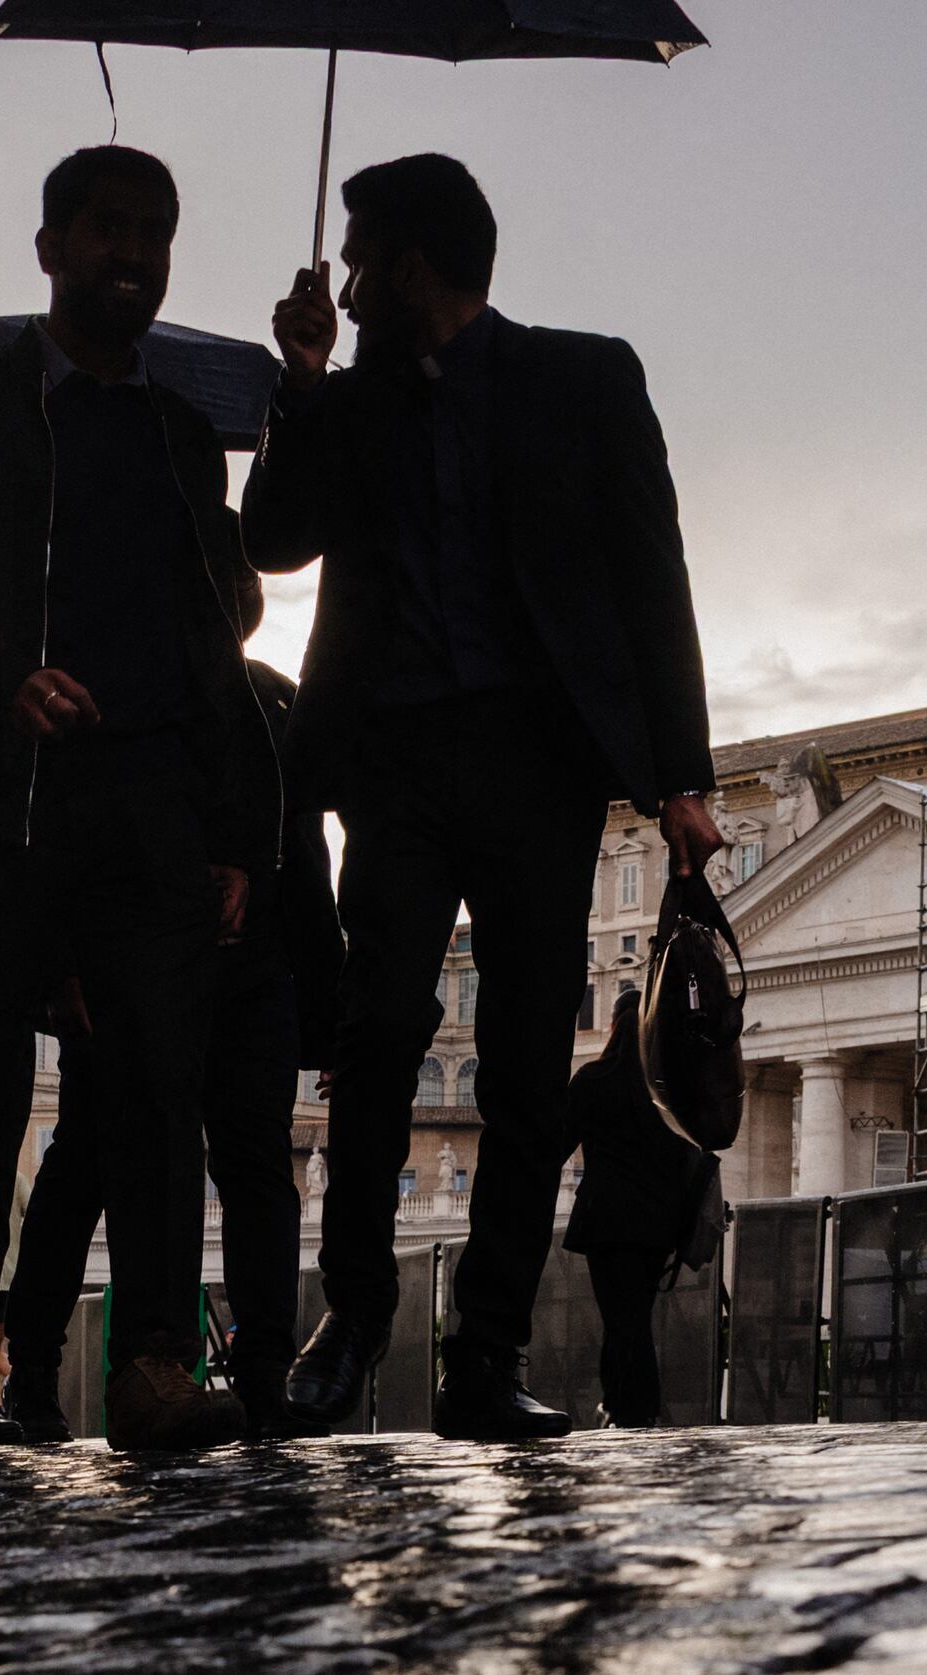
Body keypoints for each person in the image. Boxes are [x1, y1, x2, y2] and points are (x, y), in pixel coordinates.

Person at [246, 155, 720, 1444]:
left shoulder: (583, 378)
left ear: (408, 267)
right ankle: (352, 1318)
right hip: (392, 766)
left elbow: (648, 578)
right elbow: (270, 539)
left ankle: (487, 1356)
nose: (341, 283)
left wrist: (681, 775)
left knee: (520, 1069)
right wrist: (297, 383)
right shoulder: (347, 405)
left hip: (536, 769)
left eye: (357, 259)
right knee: (378, 1038)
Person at [0, 146, 273, 1462]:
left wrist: (232, 829)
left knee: (159, 1082)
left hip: (144, 797)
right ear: (48, 248)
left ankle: (157, 1362)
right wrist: (2, 678)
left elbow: (211, 632)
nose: (137, 254)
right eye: (111, 229)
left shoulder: (175, 434)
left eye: (157, 233)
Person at [0, 575, 341, 1440]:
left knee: (231, 1171)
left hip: (235, 975)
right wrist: (65, 965)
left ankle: (249, 1375)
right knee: (101, 1166)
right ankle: (53, 1374)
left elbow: (305, 865)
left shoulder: (265, 703)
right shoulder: (209, 701)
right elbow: (80, 836)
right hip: (146, 966)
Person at [560, 990, 718, 1428]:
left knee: (621, 1318)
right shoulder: (667, 1089)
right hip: (657, 1224)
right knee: (632, 1315)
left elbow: (558, 1144)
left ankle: (631, 1407)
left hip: (604, 1220)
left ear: (612, 1027)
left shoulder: (591, 1080)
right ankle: (622, 1404)